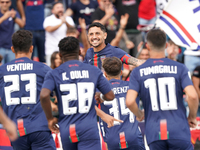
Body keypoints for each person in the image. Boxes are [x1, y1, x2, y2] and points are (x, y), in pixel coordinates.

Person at [126, 28, 199, 150]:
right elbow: (192, 96)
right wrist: (192, 116)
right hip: (178, 129)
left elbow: (129, 101)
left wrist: (139, 115)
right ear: (166, 45)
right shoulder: (179, 67)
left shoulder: (138, 72)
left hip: (154, 132)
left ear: (148, 46)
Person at [40, 36, 115, 150]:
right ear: (80, 51)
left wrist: (50, 119)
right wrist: (100, 96)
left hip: (67, 128)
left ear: (60, 54)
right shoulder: (93, 70)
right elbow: (110, 96)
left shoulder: (54, 73)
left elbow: (44, 95)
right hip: (88, 127)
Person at [0, 30, 56, 150]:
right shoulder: (43, 69)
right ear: (31, 48)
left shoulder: (2, 71)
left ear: (12, 49)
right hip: (39, 127)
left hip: (15, 129)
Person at [95, 57, 145, 150]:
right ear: (121, 72)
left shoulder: (99, 91)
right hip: (133, 136)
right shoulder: (132, 86)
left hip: (112, 137)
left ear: (105, 74)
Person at [44, 1, 75, 66]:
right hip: (51, 50)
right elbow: (49, 29)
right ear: (53, 10)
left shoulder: (68, 19)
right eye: (58, 8)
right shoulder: (48, 19)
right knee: (51, 69)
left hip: (65, 50)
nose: (60, 9)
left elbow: (73, 30)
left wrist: (65, 22)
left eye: (61, 7)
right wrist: (61, 23)